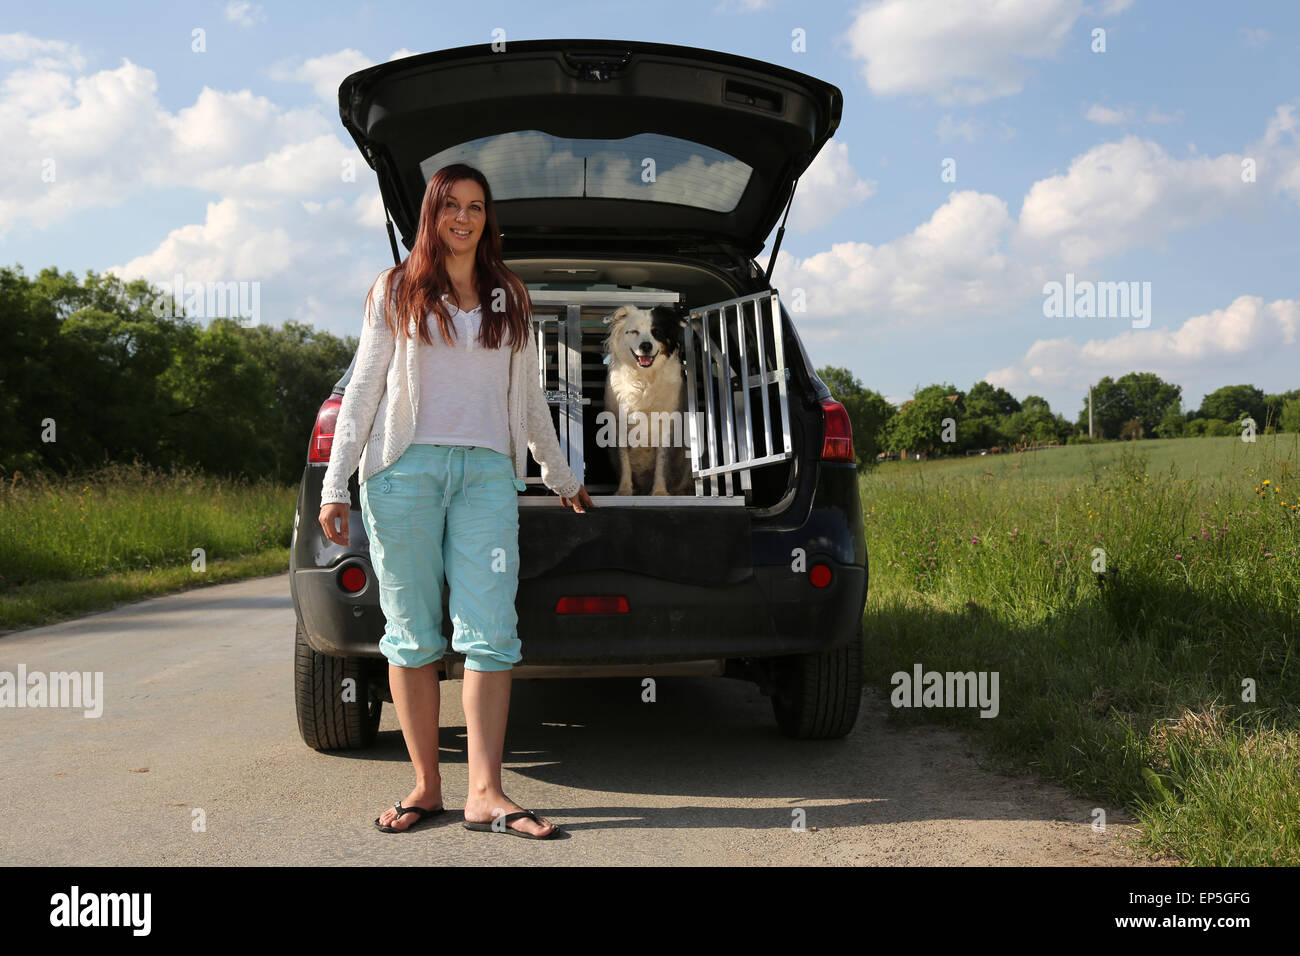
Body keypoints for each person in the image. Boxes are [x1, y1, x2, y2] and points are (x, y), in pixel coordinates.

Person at [318, 163, 595, 839]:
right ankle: (425, 786)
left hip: (485, 479)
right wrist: (336, 482)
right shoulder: (395, 289)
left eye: (476, 207)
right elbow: (364, 392)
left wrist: (560, 475)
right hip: (403, 475)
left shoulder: (510, 296)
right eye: (452, 207)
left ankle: (485, 793)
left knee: (491, 633)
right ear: (432, 214)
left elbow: (529, 399)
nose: (464, 218)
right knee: (411, 633)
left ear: (487, 217)